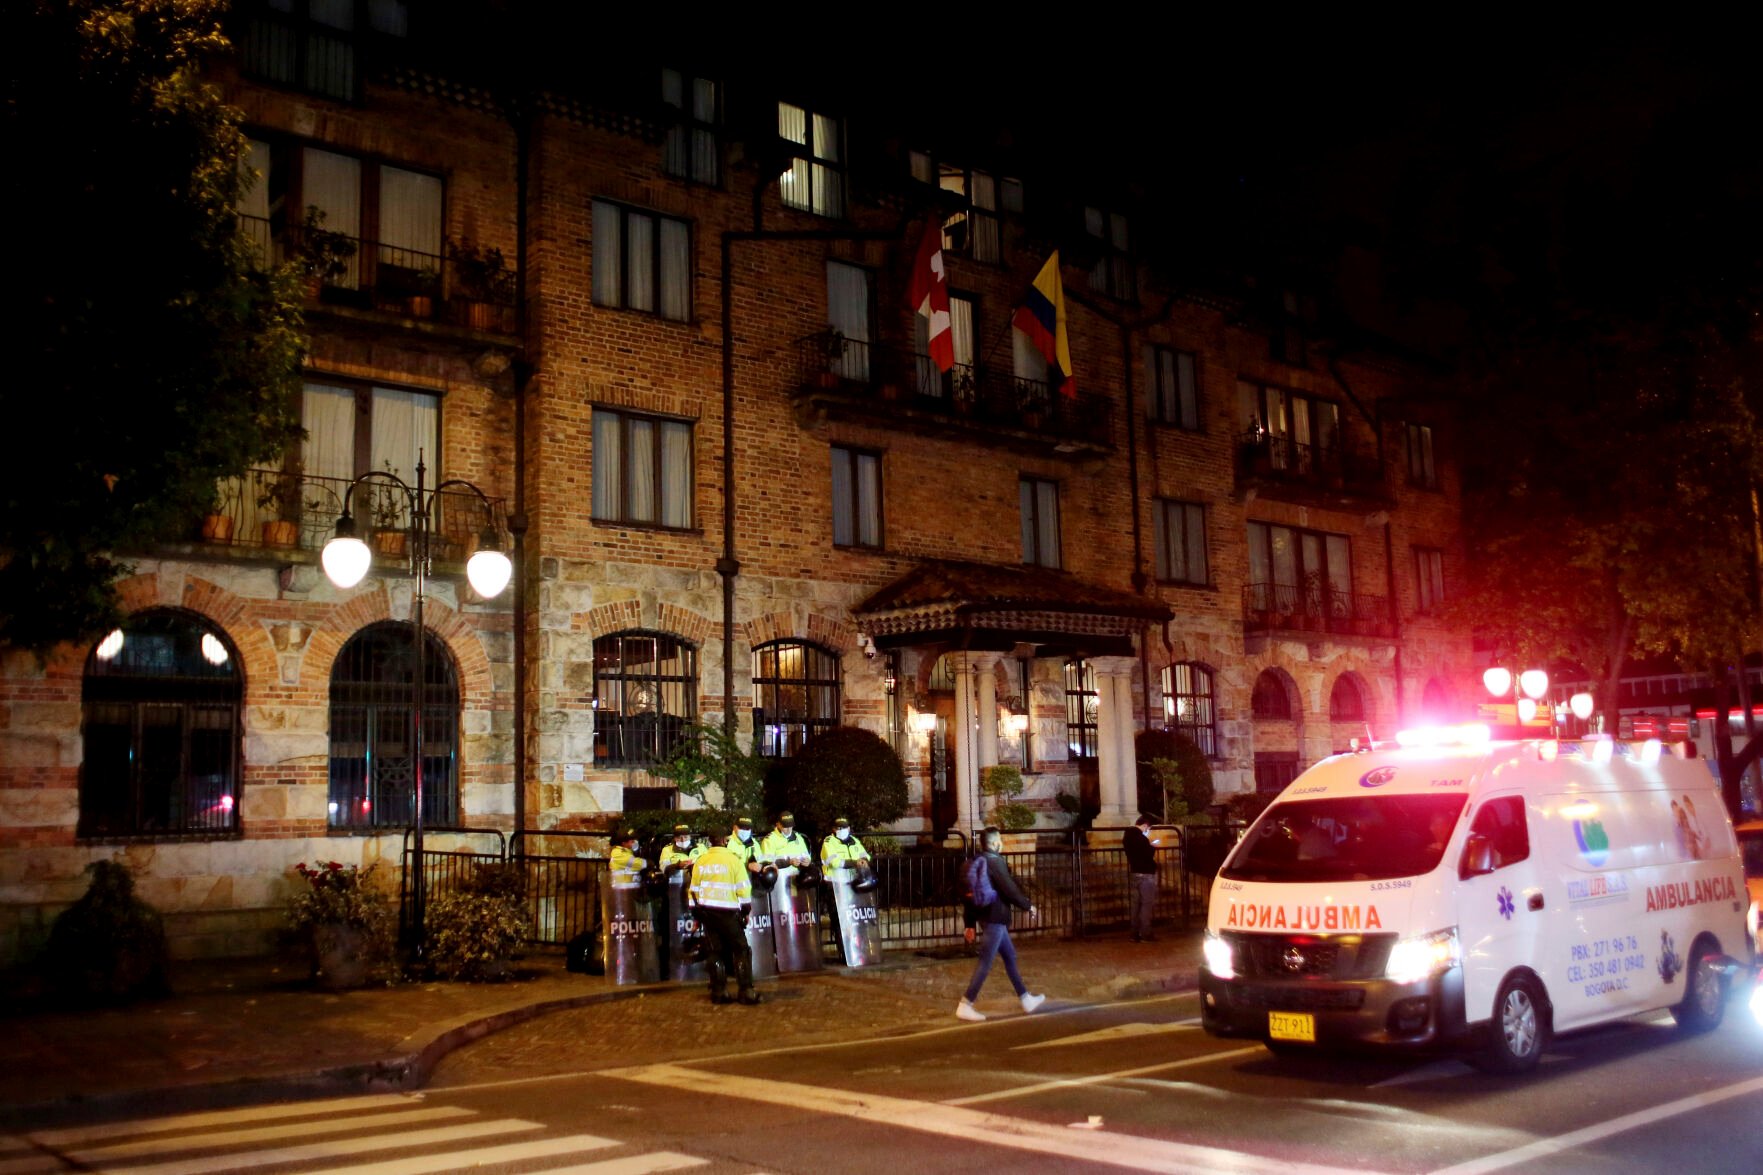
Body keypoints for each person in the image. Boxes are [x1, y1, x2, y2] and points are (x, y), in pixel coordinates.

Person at [957, 826, 1046, 1021]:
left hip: (984, 915)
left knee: (1009, 956)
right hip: (995, 917)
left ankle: (1025, 998)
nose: (1002, 843)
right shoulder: (995, 862)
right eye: (1000, 840)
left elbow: (968, 898)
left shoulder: (976, 861)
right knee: (986, 961)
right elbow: (1010, 889)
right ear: (995, 843)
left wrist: (969, 923)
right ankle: (966, 1004)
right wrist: (1028, 906)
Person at [687, 830, 761, 1005]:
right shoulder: (733, 860)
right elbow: (743, 888)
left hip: (708, 913)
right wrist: (745, 911)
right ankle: (746, 991)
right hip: (729, 912)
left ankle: (719, 992)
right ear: (724, 841)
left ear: (710, 842)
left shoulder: (701, 861)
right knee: (741, 949)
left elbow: (694, 890)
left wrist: (696, 914)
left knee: (715, 951)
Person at [1122, 814, 1159, 943]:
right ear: (1144, 825)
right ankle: (1145, 933)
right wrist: (1152, 846)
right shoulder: (1141, 838)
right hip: (1146, 874)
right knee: (1146, 904)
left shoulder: (1127, 836)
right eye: (1147, 829)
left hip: (1134, 872)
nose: (1146, 831)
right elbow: (1147, 854)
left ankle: (1134, 933)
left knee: (1135, 905)